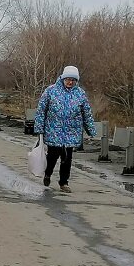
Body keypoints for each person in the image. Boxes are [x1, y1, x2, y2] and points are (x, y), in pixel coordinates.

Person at [34, 65, 97, 193]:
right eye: (68, 79)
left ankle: (64, 182)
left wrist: (91, 130)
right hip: (53, 131)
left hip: (71, 132)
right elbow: (41, 111)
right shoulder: (51, 91)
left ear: (76, 81)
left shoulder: (80, 94)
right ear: (62, 78)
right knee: (52, 156)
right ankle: (48, 174)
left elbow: (87, 113)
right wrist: (39, 128)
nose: (70, 82)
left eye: (73, 80)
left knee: (67, 158)